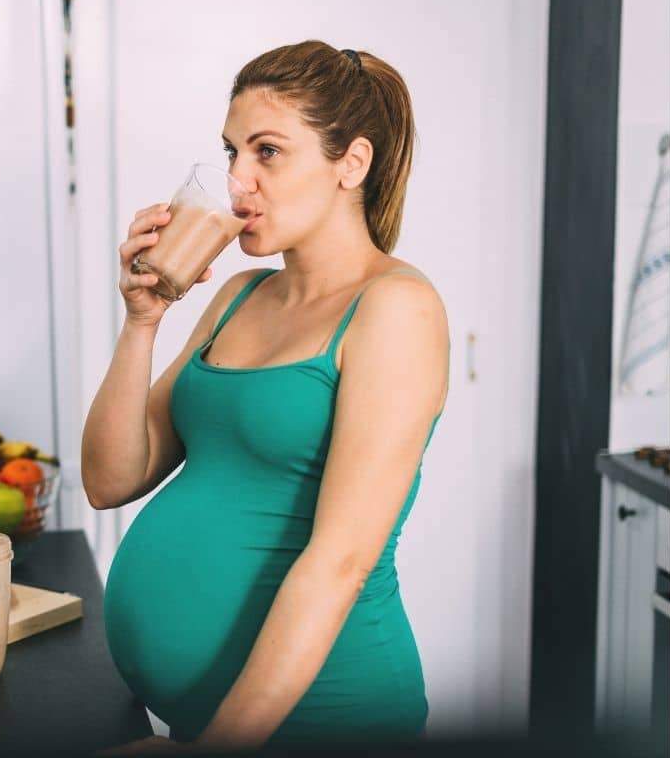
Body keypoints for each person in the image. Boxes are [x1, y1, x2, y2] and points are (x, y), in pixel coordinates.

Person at [82, 40, 450, 753]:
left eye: (268, 152)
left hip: (325, 720)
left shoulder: (395, 309)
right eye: (231, 152)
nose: (237, 181)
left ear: (352, 163)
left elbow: (340, 563)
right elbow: (109, 480)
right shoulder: (240, 295)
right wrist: (142, 322)